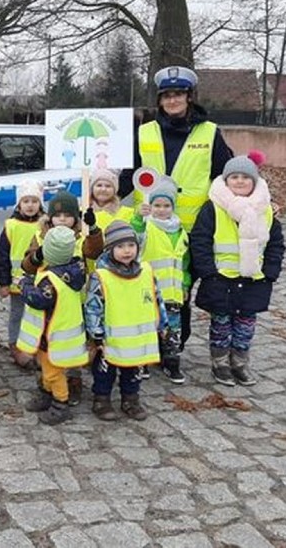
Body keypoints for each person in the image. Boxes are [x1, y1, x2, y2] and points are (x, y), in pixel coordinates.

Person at [119, 66, 234, 347]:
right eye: (166, 95)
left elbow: (227, 175)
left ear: (189, 97)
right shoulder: (145, 132)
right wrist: (104, 202)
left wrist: (259, 201)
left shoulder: (209, 133)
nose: (172, 100)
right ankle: (149, 340)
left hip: (193, 230)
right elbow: (128, 175)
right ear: (159, 100)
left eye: (178, 94)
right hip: (150, 230)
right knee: (147, 285)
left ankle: (174, 344)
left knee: (179, 289)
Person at [190, 154, 285, 386]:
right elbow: (200, 240)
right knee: (221, 324)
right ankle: (220, 363)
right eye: (234, 177)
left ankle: (240, 363)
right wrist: (208, 272)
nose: (240, 181)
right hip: (221, 279)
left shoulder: (265, 210)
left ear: (254, 181)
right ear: (226, 180)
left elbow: (275, 244)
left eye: (245, 177)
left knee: (245, 325)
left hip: (254, 279)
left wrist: (271, 271)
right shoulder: (213, 208)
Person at [21, 191, 103, 407]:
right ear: (50, 218)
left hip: (76, 299)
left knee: (72, 341)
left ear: (75, 218)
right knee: (47, 343)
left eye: (68, 216)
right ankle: (47, 384)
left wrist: (93, 229)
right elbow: (27, 264)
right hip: (47, 298)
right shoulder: (40, 236)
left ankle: (73, 380)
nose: (63, 220)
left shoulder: (81, 237)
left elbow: (94, 251)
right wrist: (36, 256)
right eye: (58, 216)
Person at [85, 221, 167, 421]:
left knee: (133, 370)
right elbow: (93, 307)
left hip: (138, 339)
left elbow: (157, 298)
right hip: (109, 339)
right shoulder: (101, 276)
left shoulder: (146, 271)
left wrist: (163, 324)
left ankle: (131, 399)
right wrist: (96, 334)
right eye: (120, 247)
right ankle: (101, 399)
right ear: (110, 249)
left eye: (131, 246)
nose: (126, 251)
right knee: (105, 372)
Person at [15, 226, 87, 425]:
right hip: (56, 333)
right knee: (46, 368)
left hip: (52, 335)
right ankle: (46, 394)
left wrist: (24, 284)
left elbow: (37, 299)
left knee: (53, 373)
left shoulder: (51, 279)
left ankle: (60, 403)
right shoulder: (75, 269)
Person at [131, 176, 190, 384]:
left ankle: (171, 363)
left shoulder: (181, 231)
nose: (162, 209)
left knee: (172, 329)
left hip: (173, 293)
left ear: (173, 207)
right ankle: (144, 362)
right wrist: (138, 218)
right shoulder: (147, 228)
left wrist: (185, 283)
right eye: (157, 205)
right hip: (149, 291)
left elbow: (185, 262)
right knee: (147, 327)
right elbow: (134, 237)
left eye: (166, 206)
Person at [0, 179, 45, 353]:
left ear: (40, 204)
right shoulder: (11, 226)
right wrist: (4, 283)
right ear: (19, 204)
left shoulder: (44, 225)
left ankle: (36, 344)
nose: (30, 205)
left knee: (36, 314)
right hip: (17, 281)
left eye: (34, 201)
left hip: (39, 279)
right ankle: (14, 343)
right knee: (17, 313)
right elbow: (3, 256)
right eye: (26, 201)